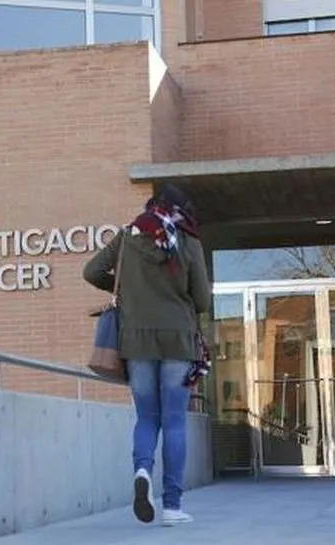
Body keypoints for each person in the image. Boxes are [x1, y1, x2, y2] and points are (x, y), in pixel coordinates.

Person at [82, 184, 211, 526]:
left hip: (136, 341)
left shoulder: (128, 236)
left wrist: (126, 290)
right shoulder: (188, 241)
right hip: (178, 341)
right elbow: (203, 301)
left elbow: (91, 271)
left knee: (146, 418)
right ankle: (172, 506)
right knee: (174, 421)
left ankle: (142, 470)